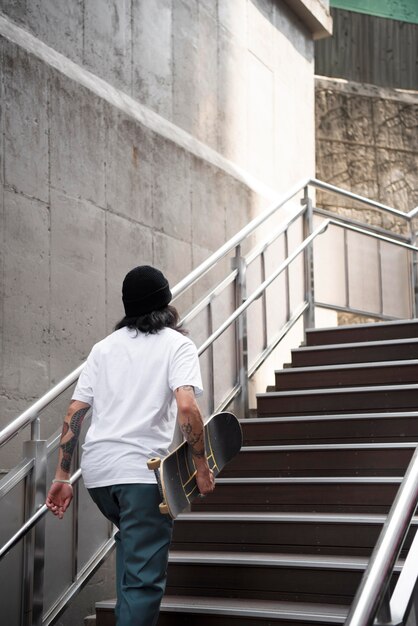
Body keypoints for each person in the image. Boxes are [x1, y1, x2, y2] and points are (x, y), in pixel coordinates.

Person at [46, 265, 215, 626]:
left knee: (131, 557)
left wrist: (63, 475)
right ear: (167, 303)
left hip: (98, 477)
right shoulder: (178, 345)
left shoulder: (103, 349)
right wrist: (201, 465)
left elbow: (75, 412)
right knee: (143, 583)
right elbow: (186, 406)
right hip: (141, 476)